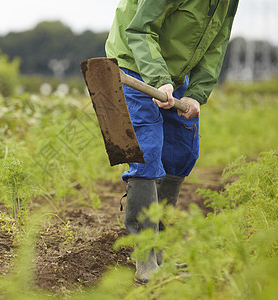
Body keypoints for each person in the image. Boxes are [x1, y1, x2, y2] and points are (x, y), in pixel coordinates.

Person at [105, 0, 239, 282]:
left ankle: (160, 252)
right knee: (146, 152)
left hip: (175, 75)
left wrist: (197, 91)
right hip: (133, 68)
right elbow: (140, 30)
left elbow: (217, 42)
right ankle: (145, 261)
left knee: (181, 153)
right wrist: (157, 76)